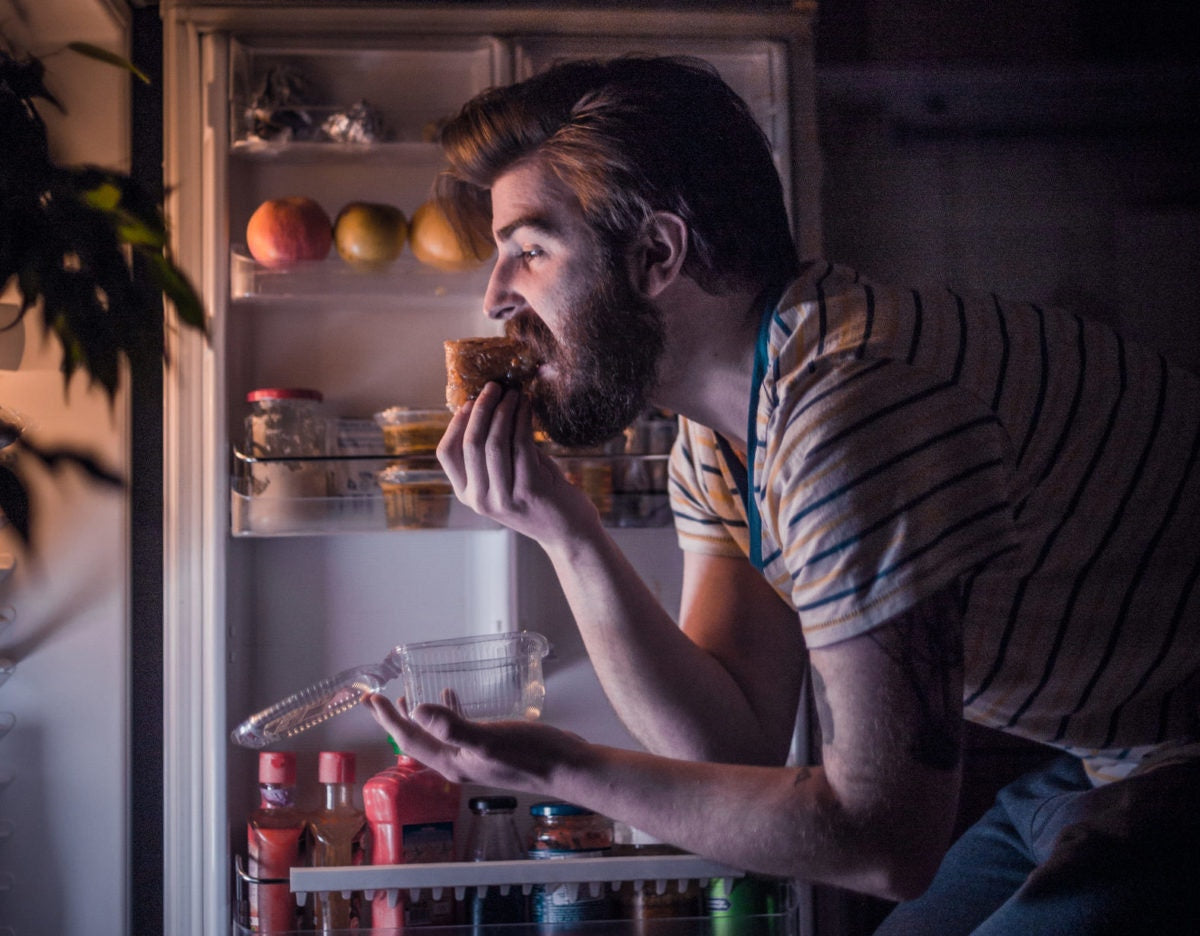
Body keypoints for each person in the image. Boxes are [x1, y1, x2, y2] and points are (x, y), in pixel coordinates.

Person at [364, 55, 1200, 934]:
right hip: (1096, 763)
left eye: (529, 251)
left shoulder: (850, 409)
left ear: (655, 253)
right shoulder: (729, 426)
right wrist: (565, 533)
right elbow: (732, 745)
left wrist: (557, 772)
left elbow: (882, 845)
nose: (495, 297)